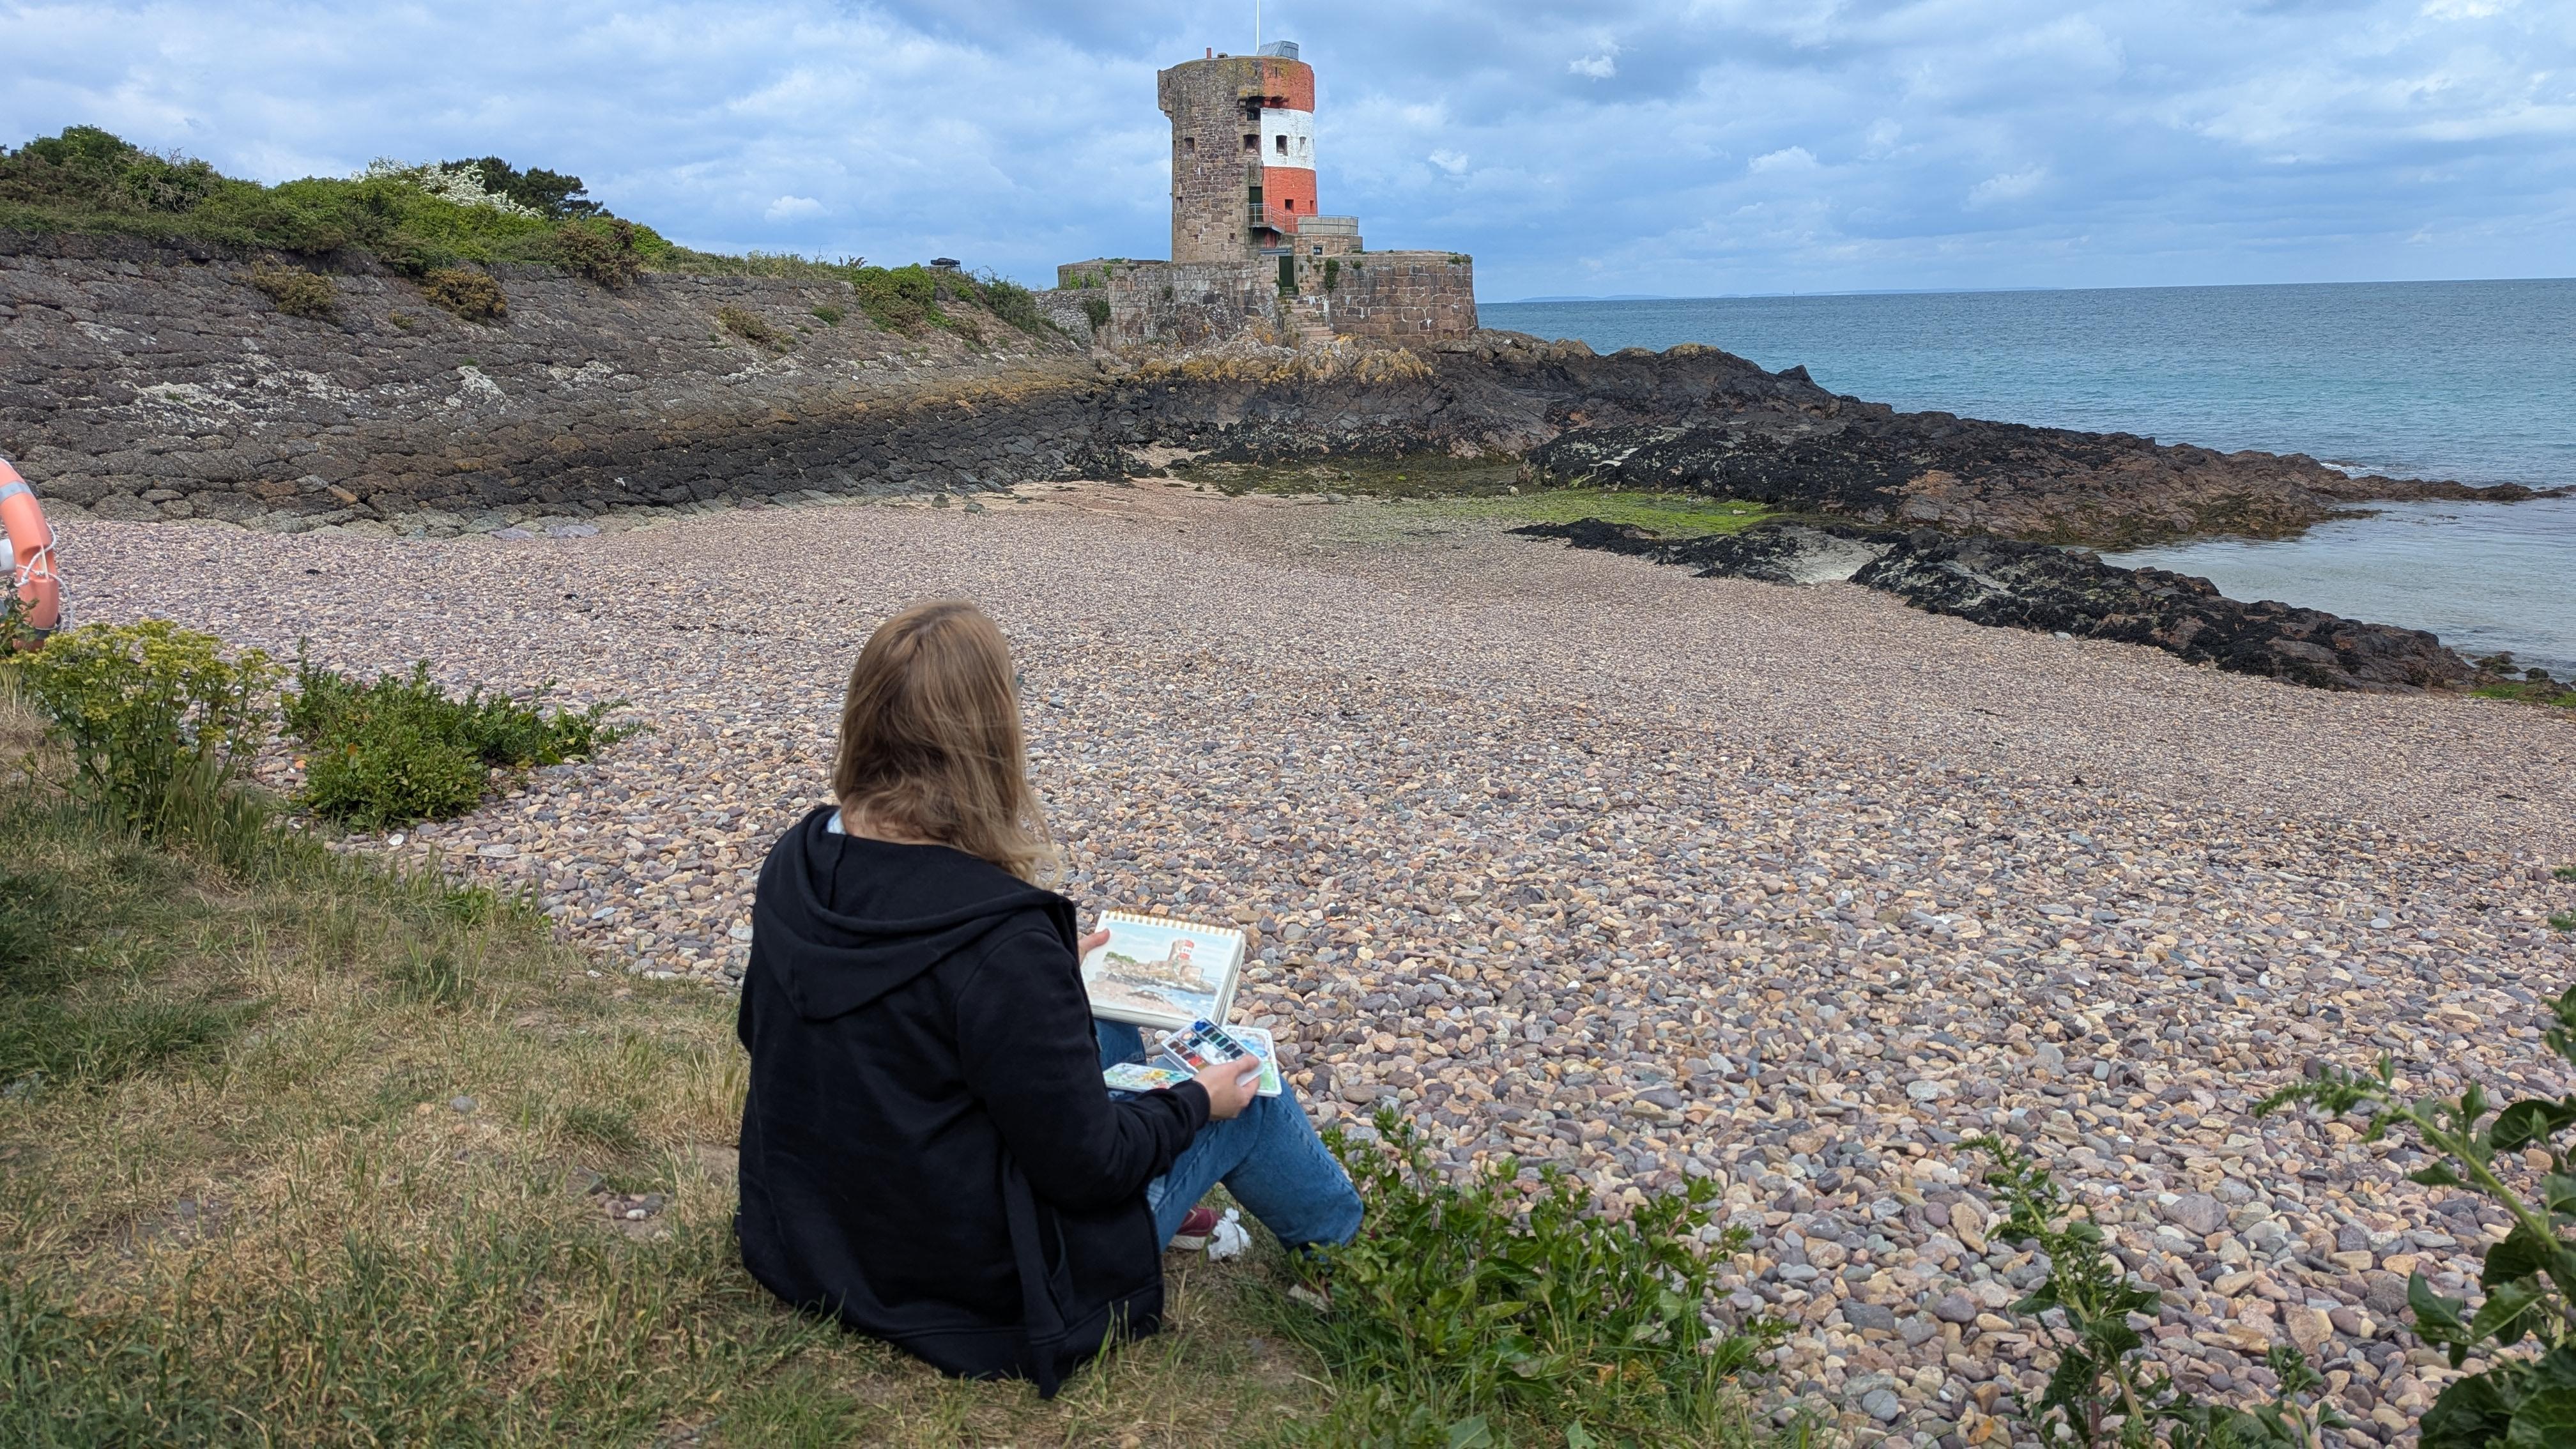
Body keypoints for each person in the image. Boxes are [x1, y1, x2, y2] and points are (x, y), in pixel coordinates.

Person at [734, 599, 1362, 1394]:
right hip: (979, 1282)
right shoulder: (999, 940)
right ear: (989, 740)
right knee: (1251, 1088)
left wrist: (1043, 981)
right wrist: (1196, 1104)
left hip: (819, 1231)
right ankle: (1361, 1270)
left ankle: (1188, 1206)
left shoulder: (796, 862)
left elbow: (770, 1031)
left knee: (1096, 1001)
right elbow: (1089, 1170)